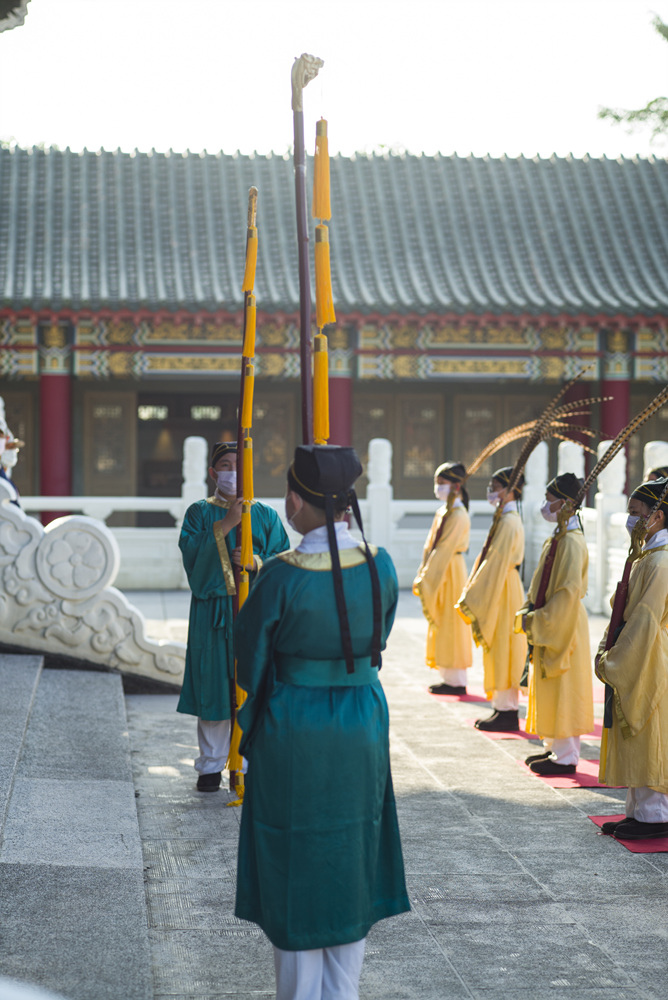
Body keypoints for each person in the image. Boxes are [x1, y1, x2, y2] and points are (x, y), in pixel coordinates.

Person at [234, 445, 409, 1000]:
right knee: (354, 843)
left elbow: (249, 659)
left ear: (294, 500)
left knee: (294, 853)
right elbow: (377, 638)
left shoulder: (281, 574)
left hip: (297, 721)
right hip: (361, 717)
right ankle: (343, 991)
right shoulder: (379, 561)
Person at [177, 441, 289, 792]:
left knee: (254, 686)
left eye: (238, 466)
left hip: (253, 612)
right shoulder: (198, 512)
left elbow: (284, 561)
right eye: (224, 465)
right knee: (213, 689)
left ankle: (252, 761)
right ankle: (210, 765)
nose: (232, 473)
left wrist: (254, 562)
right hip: (212, 613)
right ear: (213, 473)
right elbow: (192, 558)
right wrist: (225, 525)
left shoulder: (267, 515)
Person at [596, 476, 668, 840]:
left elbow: (644, 621)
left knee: (648, 730)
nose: (632, 520)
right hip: (641, 651)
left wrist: (612, 660)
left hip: (650, 656)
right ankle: (640, 813)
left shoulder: (660, 563)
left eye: (637, 513)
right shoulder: (648, 556)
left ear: (658, 516)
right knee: (635, 735)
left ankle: (657, 816)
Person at [515, 473, 594, 774]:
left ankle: (566, 757)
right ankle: (554, 749)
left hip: (565, 621)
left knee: (564, 687)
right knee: (551, 684)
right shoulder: (559, 536)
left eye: (551, 501)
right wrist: (530, 607)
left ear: (568, 504)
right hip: (553, 617)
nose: (546, 506)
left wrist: (539, 620)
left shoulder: (572, 542)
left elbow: (567, 593)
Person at [456, 466, 528, 731]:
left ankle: (508, 711)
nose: (491, 491)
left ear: (511, 491)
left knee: (505, 647)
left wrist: (473, 592)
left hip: (502, 587)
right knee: (499, 647)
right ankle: (501, 707)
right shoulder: (504, 518)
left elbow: (496, 562)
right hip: (501, 584)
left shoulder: (509, 522)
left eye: (496, 486)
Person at [413, 461, 472, 695]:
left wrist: (427, 576)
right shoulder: (444, 512)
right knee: (443, 623)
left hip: (451, 570)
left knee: (452, 623)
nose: (438, 488)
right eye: (437, 483)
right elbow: (431, 547)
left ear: (456, 486)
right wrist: (424, 570)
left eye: (442, 484)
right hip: (440, 568)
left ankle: (457, 680)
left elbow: (444, 549)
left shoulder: (458, 515)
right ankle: (448, 676)